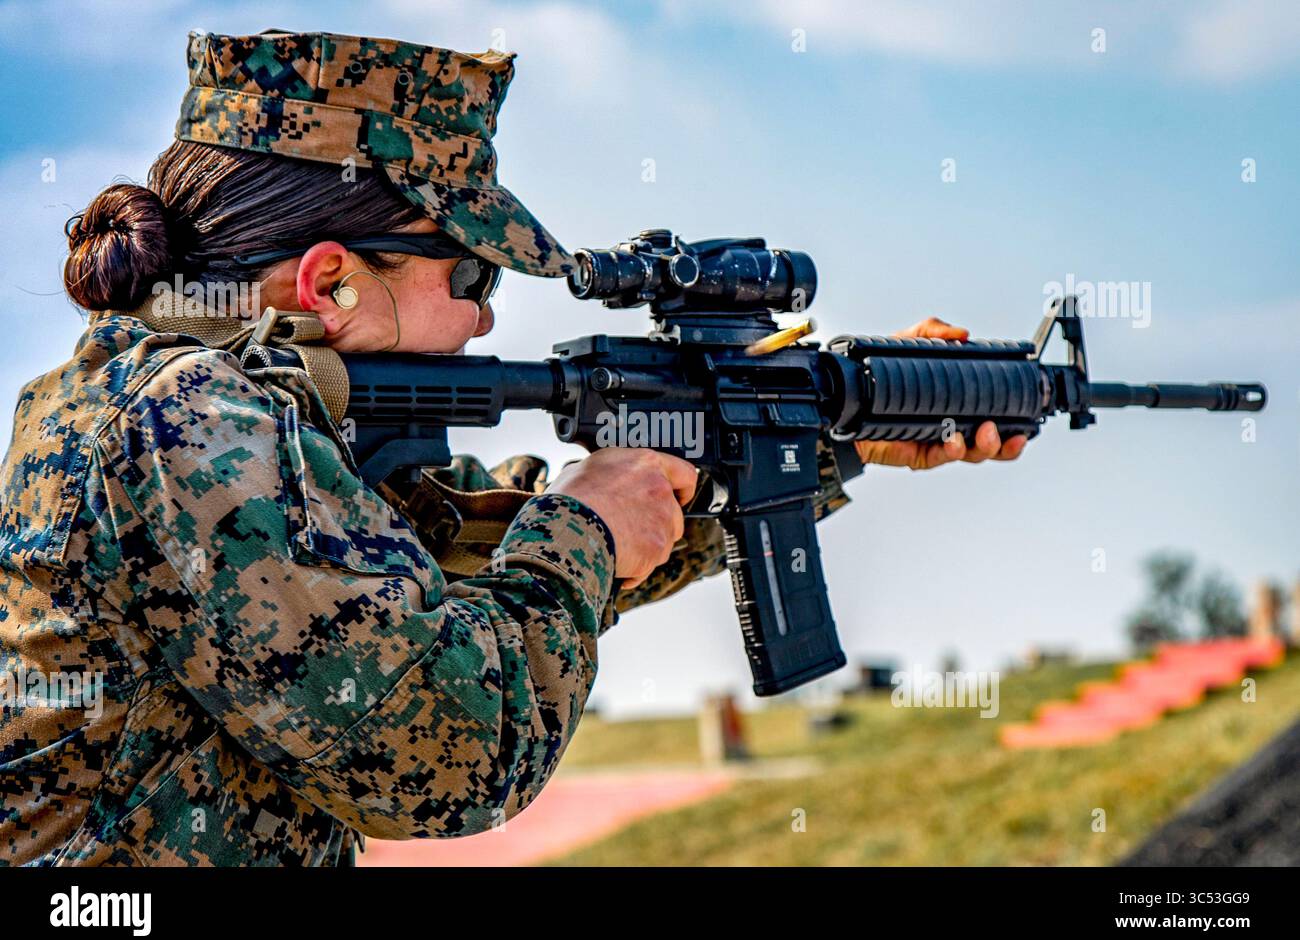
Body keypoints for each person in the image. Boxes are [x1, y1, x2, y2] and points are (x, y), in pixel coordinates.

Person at [0, 29, 1024, 867]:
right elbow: (451, 752)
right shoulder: (194, 426)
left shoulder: (167, 400)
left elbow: (444, 562)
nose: (485, 324)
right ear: (330, 282)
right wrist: (584, 522)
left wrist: (818, 444)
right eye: (471, 281)